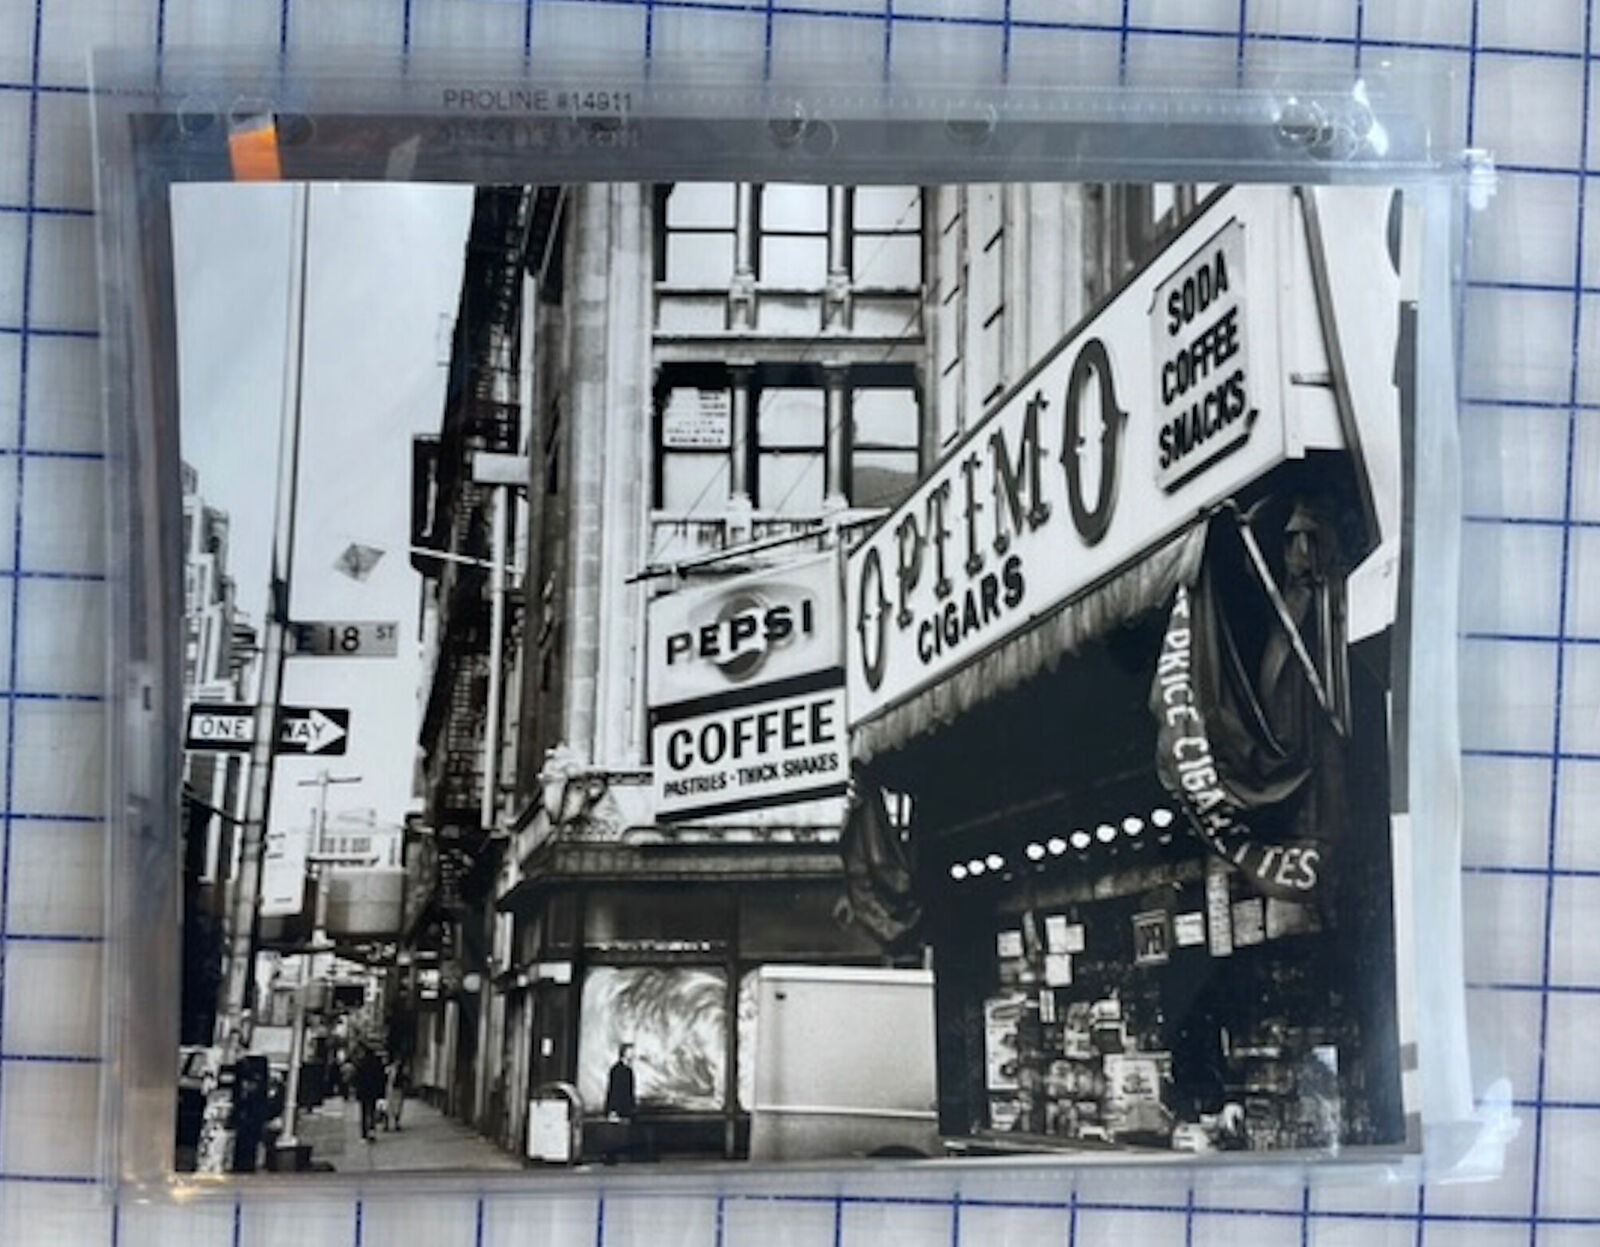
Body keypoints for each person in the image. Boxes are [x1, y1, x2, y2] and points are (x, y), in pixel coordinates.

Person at [602, 1042, 637, 1163]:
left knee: (622, 1132)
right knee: (614, 1132)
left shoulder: (627, 1069)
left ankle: (617, 1155)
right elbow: (614, 1091)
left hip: (625, 1107)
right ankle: (610, 1155)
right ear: (624, 1053)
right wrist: (612, 1109)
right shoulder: (617, 1069)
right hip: (618, 1107)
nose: (633, 1054)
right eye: (631, 1051)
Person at [353, 1045, 387, 1142]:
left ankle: (364, 1134)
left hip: (364, 1091)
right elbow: (381, 1078)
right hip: (373, 1091)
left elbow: (357, 1078)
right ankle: (371, 1132)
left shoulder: (361, 1063)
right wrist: (381, 1092)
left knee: (364, 1112)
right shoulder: (377, 1064)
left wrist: (357, 1090)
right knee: (372, 1111)